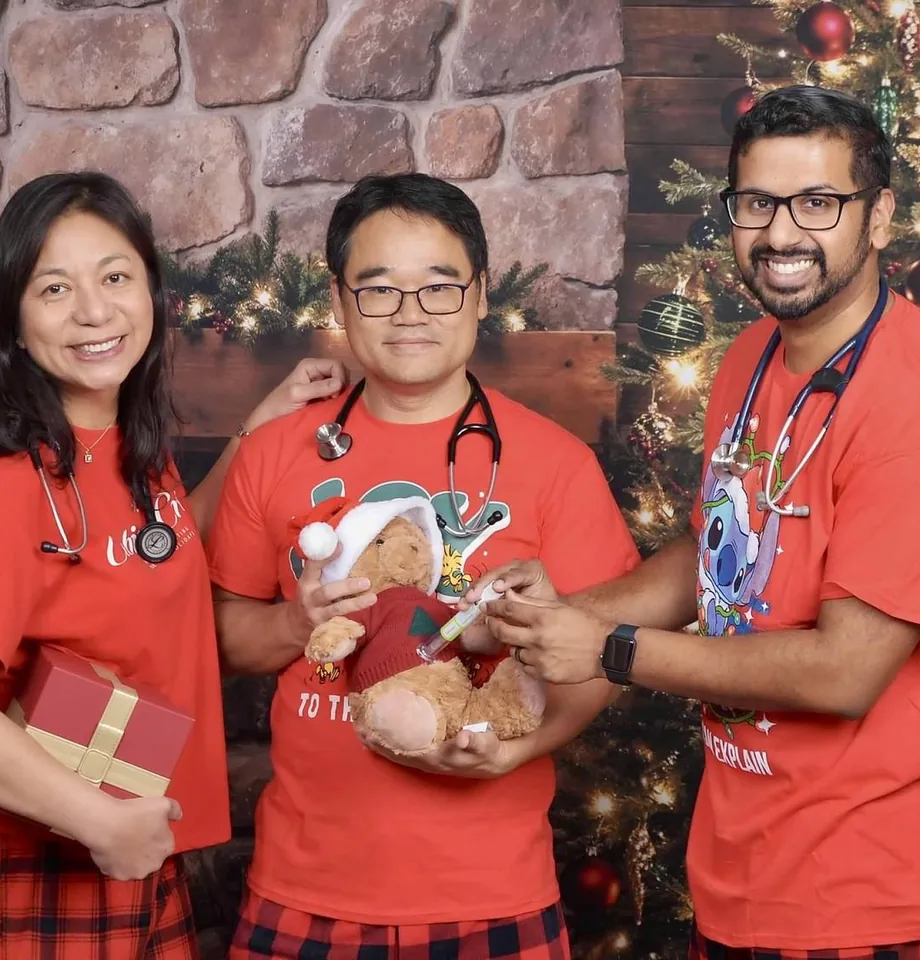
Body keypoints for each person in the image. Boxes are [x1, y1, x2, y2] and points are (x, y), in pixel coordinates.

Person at [472, 85, 920, 958]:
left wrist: (611, 649)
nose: (780, 234)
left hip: (879, 893)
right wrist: (569, 614)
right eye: (758, 202)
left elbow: (847, 672)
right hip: (748, 868)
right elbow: (723, 546)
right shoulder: (752, 355)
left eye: (818, 203)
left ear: (878, 217)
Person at [0, 170, 347, 960]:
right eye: (54, 289)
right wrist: (100, 823)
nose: (95, 311)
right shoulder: (8, 475)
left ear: (153, 296)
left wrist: (255, 434)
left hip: (122, 807)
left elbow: (153, 548)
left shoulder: (115, 434)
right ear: (14, 323)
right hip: (35, 842)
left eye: (116, 277)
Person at [205, 172, 640, 959]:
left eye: (439, 288)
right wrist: (292, 622)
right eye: (380, 290)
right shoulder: (273, 453)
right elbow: (219, 640)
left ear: (479, 297)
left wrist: (519, 750)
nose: (410, 314)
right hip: (305, 889)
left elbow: (600, 657)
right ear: (340, 302)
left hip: (492, 891)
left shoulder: (556, 465)